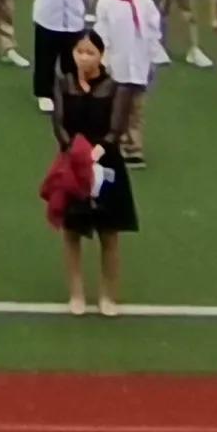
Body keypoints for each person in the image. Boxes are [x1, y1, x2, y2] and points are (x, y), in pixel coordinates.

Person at [43, 30, 134, 316]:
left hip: (106, 164)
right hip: (73, 163)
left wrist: (99, 151)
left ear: (100, 55)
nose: (84, 58)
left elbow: (116, 127)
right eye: (79, 52)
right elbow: (58, 122)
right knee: (72, 233)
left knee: (109, 234)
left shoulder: (115, 87)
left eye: (90, 52)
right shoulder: (64, 83)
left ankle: (108, 295)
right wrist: (74, 151)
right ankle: (77, 293)